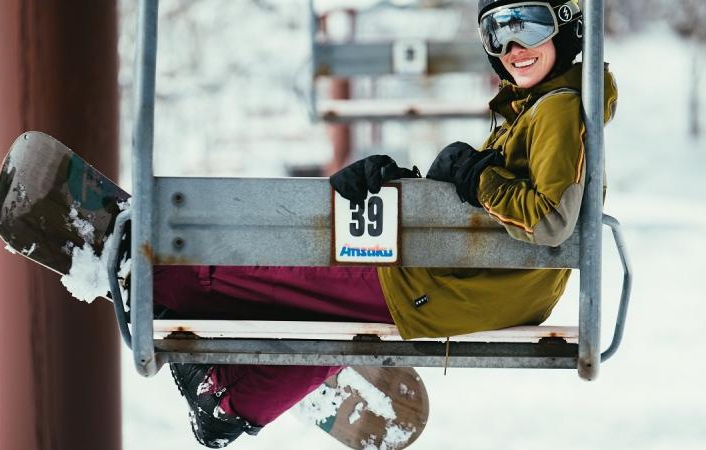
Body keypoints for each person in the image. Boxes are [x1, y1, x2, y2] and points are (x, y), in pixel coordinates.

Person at [153, 0, 618, 447]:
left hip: (455, 286)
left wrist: (478, 178)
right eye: (497, 32)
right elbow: (493, 211)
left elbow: (550, 219)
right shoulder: (537, 107)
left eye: (529, 25)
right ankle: (232, 401)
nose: (513, 48)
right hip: (473, 286)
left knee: (269, 265)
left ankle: (154, 277)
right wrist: (410, 192)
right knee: (314, 304)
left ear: (567, 25)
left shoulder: (557, 107)